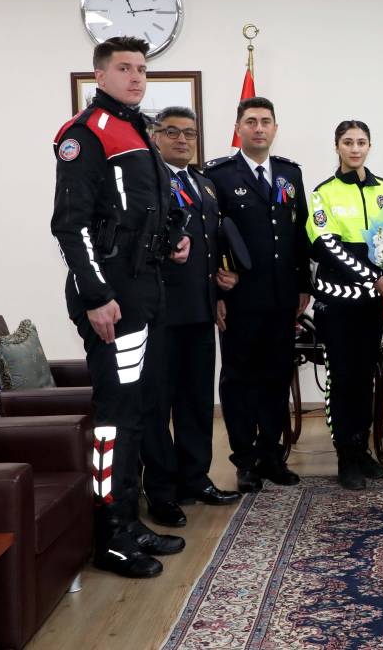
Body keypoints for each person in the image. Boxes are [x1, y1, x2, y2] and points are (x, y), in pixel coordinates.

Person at [51, 36, 187, 578]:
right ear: (99, 76)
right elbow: (71, 224)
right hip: (112, 297)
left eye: (141, 69)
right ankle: (108, 534)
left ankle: (128, 522)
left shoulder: (137, 129)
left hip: (144, 290)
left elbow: (152, 206)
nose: (136, 77)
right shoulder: (84, 134)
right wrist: (96, 295)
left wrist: (174, 236)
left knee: (139, 411)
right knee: (113, 421)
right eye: (124, 69)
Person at [141, 106, 241, 529]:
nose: (182, 140)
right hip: (160, 311)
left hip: (200, 308)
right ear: (155, 136)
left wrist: (222, 283)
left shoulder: (203, 184)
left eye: (190, 134)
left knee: (197, 401)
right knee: (157, 404)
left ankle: (194, 479)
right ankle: (161, 492)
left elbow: (210, 241)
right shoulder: (149, 181)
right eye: (172, 132)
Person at [204, 97, 310, 493]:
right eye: (251, 122)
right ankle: (244, 460)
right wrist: (215, 287)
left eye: (266, 121)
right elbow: (209, 238)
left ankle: (271, 455)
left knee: (276, 377)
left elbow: (297, 234)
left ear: (275, 128)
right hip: (239, 300)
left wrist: (304, 284)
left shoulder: (288, 174)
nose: (259, 128)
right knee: (238, 379)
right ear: (239, 128)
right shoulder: (218, 174)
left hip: (283, 297)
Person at [306, 120, 383, 490]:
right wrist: (372, 278)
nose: (355, 148)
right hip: (337, 304)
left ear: (369, 146)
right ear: (337, 146)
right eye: (348, 142)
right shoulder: (323, 193)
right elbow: (326, 247)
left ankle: (361, 448)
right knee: (342, 379)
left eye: (361, 142)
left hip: (372, 307)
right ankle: (345, 455)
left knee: (364, 378)